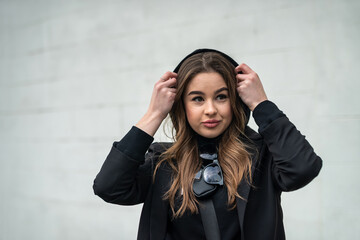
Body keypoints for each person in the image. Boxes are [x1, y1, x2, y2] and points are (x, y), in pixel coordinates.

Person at [93, 49, 322, 240]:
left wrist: (261, 104)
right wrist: (154, 113)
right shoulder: (162, 162)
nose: (210, 109)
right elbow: (109, 187)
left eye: (221, 96)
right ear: (182, 105)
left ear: (235, 100)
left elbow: (303, 168)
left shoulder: (262, 154)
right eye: (197, 98)